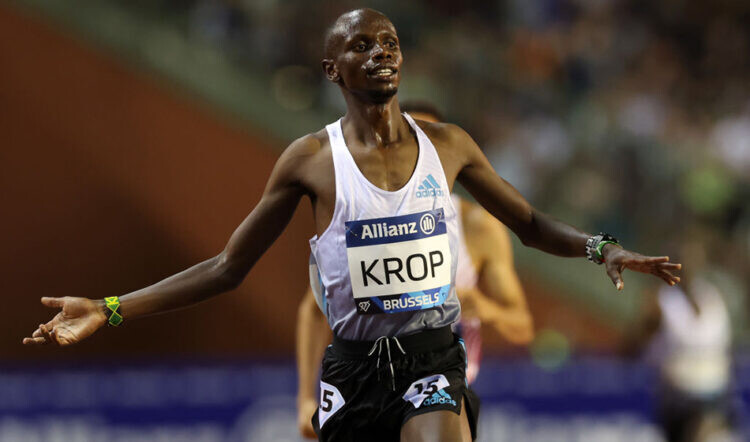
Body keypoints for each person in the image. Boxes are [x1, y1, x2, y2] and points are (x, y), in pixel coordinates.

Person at [24, 8, 681, 442]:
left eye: (390, 42)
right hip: (354, 369)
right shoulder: (311, 160)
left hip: (432, 356)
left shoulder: (448, 145)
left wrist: (602, 248)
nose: (380, 52)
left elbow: (530, 223)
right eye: (361, 45)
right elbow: (227, 268)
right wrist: (110, 308)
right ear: (332, 69)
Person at [296, 102, 535, 439]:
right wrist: (305, 398)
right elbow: (314, 309)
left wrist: (485, 307)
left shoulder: (478, 227)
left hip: (441, 383)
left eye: (430, 141)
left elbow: (522, 326)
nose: (420, 155)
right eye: (410, 140)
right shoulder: (362, 220)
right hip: (366, 384)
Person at [623, 241, 733, 442]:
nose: (689, 265)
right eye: (683, 260)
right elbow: (633, 344)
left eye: (694, 259)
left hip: (717, 395)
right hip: (679, 400)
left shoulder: (713, 297)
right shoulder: (662, 300)